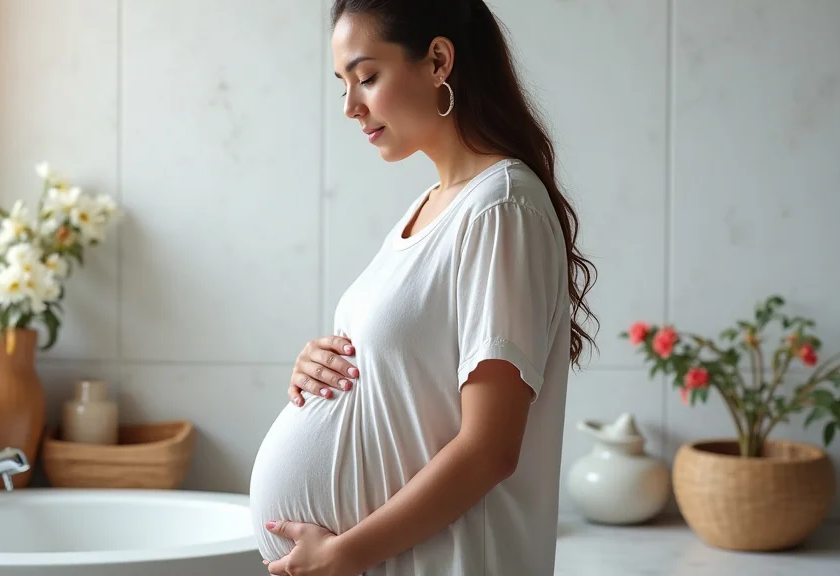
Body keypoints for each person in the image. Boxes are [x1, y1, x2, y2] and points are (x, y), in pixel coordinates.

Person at [248, 1, 597, 574]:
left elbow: (490, 449)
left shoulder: (501, 207)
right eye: (342, 84)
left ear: (438, 60)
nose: (350, 106)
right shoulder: (430, 209)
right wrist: (318, 369)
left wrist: (344, 554)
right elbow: (403, 375)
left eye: (366, 78)